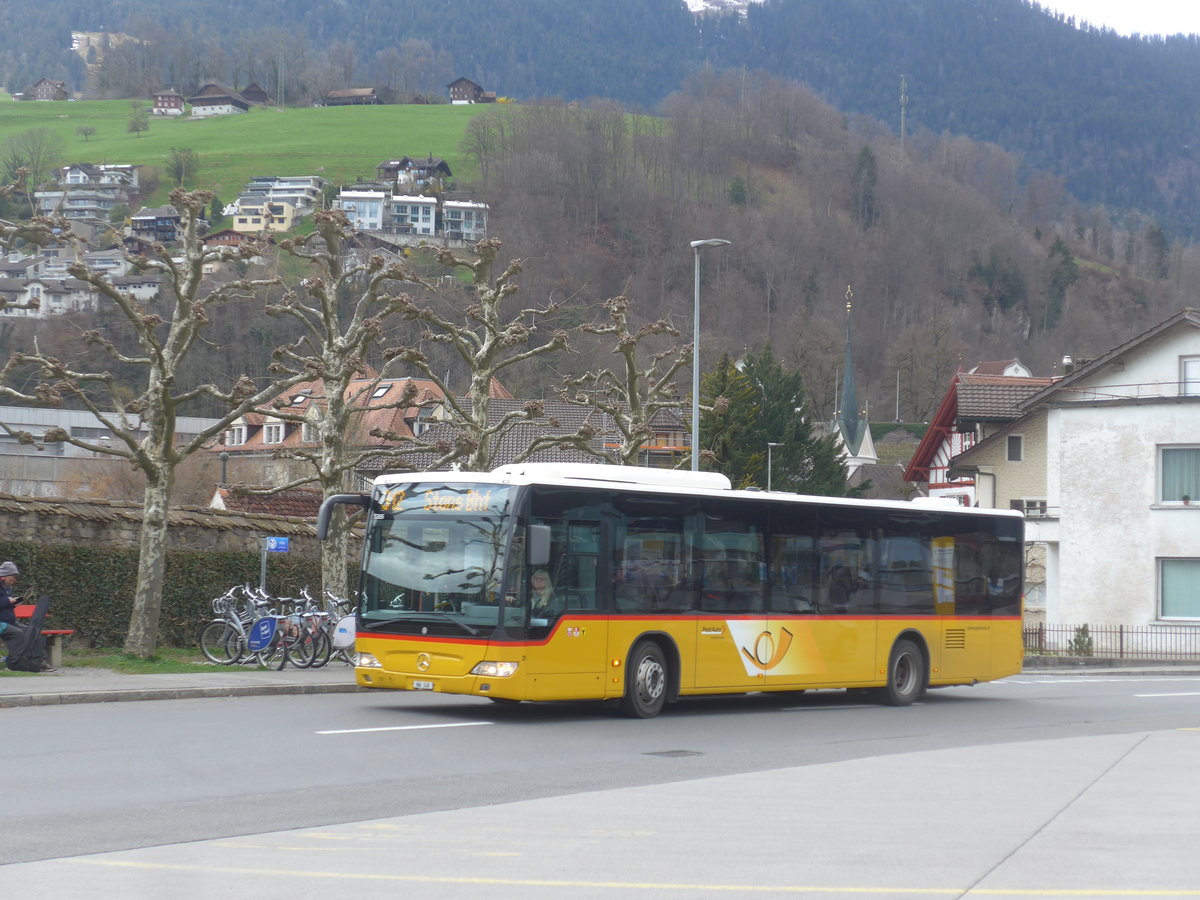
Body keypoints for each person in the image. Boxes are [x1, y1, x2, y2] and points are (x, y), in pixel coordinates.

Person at [0, 561, 29, 657]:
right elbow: (4, 602)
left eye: (14, 579)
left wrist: (13, 604)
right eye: (11, 579)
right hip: (2, 623)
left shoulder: (9, 588)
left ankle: (35, 660)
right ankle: (14, 660)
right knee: (18, 633)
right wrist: (8, 600)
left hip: (10, 622)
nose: (12, 581)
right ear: (4, 576)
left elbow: (6, 605)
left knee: (30, 631)